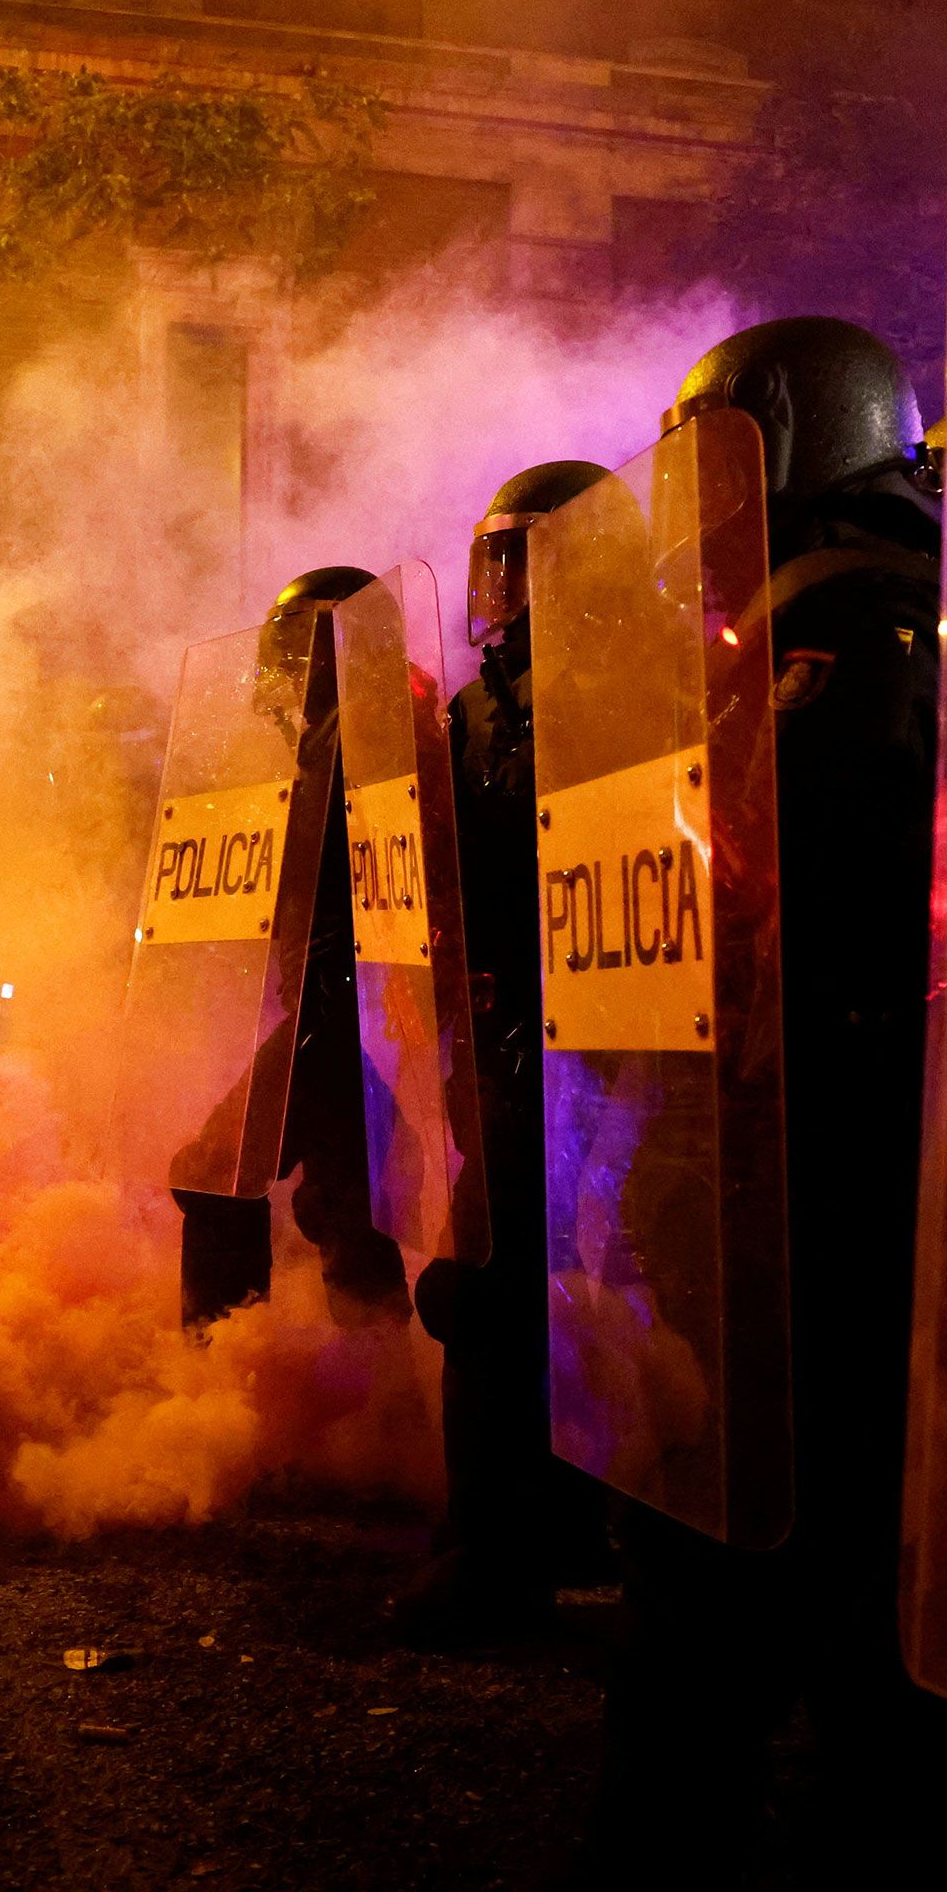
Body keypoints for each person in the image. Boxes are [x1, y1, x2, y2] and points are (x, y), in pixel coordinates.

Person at [583, 317, 947, 1881]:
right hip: (811, 1165)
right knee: (840, 1556)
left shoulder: (853, 625)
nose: (684, 495)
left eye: (712, 454)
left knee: (748, 1552)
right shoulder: (817, 615)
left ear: (794, 439)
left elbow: (788, 905)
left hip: (821, 1171)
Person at [390, 460, 618, 1648]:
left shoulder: (641, 684)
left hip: (621, 1058)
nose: (502, 590)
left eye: (523, 559)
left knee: (584, 1295)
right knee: (482, 1283)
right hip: (507, 1049)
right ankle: (493, 1540)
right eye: (493, 561)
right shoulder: (475, 714)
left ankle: (541, 1533)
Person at [173, 567, 410, 1331]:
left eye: (297, 652)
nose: (278, 678)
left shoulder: (375, 735)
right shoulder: (325, 748)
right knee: (345, 1210)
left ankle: (226, 1386)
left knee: (216, 1173)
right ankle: (372, 1409)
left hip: (342, 1012)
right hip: (340, 1014)